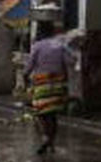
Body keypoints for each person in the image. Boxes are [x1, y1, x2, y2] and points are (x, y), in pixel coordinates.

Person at [24, 19, 73, 155]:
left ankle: (46, 137)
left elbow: (29, 66)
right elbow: (70, 61)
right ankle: (51, 141)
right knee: (53, 114)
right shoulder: (60, 45)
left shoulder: (38, 46)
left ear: (40, 32)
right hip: (58, 83)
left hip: (42, 83)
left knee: (41, 112)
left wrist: (25, 78)